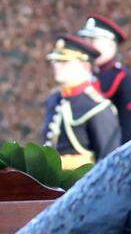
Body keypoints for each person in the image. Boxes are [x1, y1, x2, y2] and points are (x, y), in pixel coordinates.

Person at [41, 35, 120, 169]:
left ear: (84, 65)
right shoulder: (55, 99)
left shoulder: (97, 107)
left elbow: (109, 160)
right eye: (56, 61)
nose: (56, 66)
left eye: (64, 62)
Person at [77, 14, 131, 144]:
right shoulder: (83, 75)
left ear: (110, 44)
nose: (88, 46)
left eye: (93, 40)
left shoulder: (125, 79)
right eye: (86, 39)